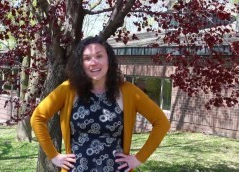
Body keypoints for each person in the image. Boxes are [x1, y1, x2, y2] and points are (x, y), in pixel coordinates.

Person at [31, 36, 170, 172]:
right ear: (80, 64)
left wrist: (139, 158)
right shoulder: (68, 90)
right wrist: (54, 156)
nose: (93, 62)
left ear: (108, 59)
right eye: (87, 58)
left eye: (99, 56)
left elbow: (161, 123)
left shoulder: (128, 92)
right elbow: (37, 118)